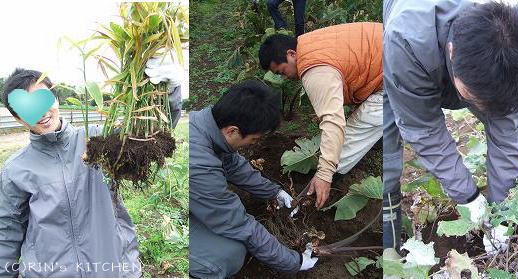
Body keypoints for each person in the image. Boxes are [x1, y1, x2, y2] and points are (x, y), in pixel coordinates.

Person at [383, 0, 518, 254]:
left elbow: (507, 134)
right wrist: (470, 198)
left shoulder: (507, 47)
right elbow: (425, 131)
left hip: (458, 63)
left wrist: (501, 213)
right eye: (476, 100)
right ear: (451, 52)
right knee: (389, 144)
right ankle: (390, 242)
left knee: (510, 126)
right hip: (397, 61)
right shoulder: (405, 41)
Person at [0, 59, 182, 277]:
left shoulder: (99, 140)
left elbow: (150, 133)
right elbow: (7, 231)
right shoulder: (16, 169)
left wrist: (168, 94)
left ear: (56, 98)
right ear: (18, 118)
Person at [189, 80, 318, 278]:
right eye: (254, 140)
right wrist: (293, 261)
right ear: (232, 131)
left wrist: (274, 192)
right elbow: (236, 223)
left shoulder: (206, 125)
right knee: (228, 255)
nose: (255, 143)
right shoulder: (199, 164)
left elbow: (233, 164)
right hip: (154, 217)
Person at [258, 22, 383, 209]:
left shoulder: (314, 69)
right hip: (399, 47)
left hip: (403, 74)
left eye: (282, 71)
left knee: (357, 127)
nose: (284, 77)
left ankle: (328, 180)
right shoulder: (308, 43)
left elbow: (333, 121)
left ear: (291, 54)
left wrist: (325, 173)